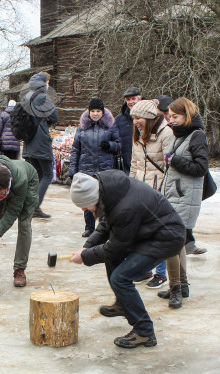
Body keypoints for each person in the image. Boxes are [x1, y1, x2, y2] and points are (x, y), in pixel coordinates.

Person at [69, 171, 185, 348]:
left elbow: (116, 247)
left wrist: (85, 257)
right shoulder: (109, 190)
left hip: (166, 238)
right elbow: (106, 225)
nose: (84, 210)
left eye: (85, 206)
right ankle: (124, 304)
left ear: (94, 196)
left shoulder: (125, 207)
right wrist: (87, 246)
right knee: (112, 262)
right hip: (148, 233)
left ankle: (144, 331)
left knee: (121, 278)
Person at [156, 97, 208, 309]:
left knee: (172, 243)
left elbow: (200, 168)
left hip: (185, 197)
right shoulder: (178, 135)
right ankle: (181, 285)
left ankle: (176, 288)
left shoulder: (197, 136)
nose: (171, 119)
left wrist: (175, 160)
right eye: (170, 116)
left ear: (187, 115)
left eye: (175, 116)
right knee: (177, 244)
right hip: (173, 196)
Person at [130, 97, 174, 288]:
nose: (135, 121)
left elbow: (171, 167)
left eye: (138, 117)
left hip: (159, 192)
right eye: (133, 118)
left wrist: (163, 192)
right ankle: (145, 269)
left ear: (148, 117)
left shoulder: (167, 134)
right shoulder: (138, 134)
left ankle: (162, 274)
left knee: (158, 234)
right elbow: (134, 164)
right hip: (141, 190)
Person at [0, 156, 39, 287]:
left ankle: (19, 269)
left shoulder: (20, 181)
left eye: (0, 195)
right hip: (8, 186)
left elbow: (13, 212)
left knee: (24, 224)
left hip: (28, 184)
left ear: (8, 187)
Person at [68, 97, 121, 237]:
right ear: (89, 112)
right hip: (87, 168)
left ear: (103, 112)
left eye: (98, 111)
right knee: (87, 197)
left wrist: (110, 145)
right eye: (93, 111)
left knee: (104, 199)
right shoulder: (82, 129)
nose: (95, 113)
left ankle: (103, 228)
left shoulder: (110, 127)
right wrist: (72, 169)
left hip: (105, 169)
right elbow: (75, 150)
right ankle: (89, 227)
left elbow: (119, 145)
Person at [21, 72, 59, 218]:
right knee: (47, 174)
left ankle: (29, 205)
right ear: (44, 83)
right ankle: (35, 207)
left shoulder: (27, 96)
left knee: (36, 175)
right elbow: (55, 116)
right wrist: (46, 118)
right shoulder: (42, 96)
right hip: (40, 140)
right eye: (48, 82)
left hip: (28, 141)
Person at [113, 87, 142, 175]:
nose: (131, 102)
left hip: (144, 163)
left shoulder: (149, 116)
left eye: (133, 98)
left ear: (140, 99)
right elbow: (115, 138)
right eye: (128, 99)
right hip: (127, 164)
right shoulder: (120, 119)